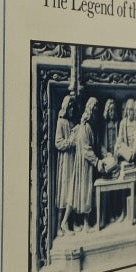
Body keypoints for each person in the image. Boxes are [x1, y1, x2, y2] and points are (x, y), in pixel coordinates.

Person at [72, 97, 100, 232]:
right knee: (85, 192)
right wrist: (97, 162)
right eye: (94, 110)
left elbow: (96, 145)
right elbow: (87, 150)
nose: (96, 113)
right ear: (90, 110)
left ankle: (85, 222)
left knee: (87, 192)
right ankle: (85, 223)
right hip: (84, 165)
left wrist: (104, 154)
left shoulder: (91, 126)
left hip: (88, 164)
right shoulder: (85, 127)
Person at [55, 94, 77, 236]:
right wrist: (70, 142)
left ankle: (70, 222)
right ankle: (59, 225)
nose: (72, 110)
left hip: (73, 160)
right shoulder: (61, 122)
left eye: (73, 107)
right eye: (70, 107)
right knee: (63, 192)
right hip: (65, 161)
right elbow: (58, 143)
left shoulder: (72, 122)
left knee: (72, 191)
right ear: (66, 107)